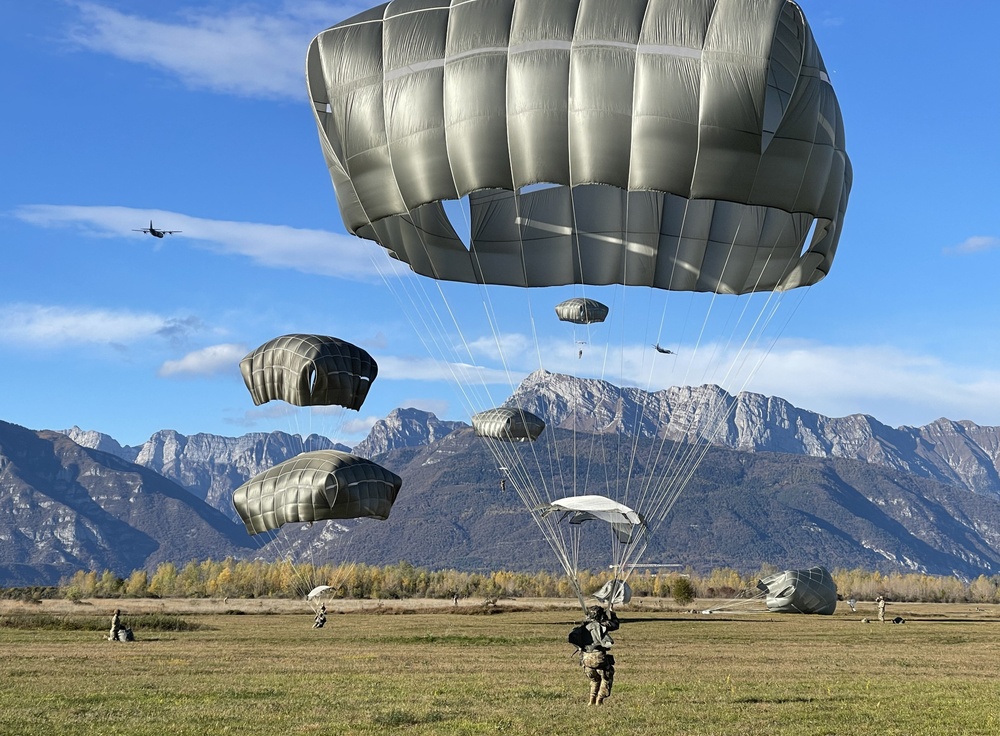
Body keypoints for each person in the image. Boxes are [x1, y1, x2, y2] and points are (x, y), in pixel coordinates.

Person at [569, 604, 620, 706]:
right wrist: (612, 614)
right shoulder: (603, 625)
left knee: (595, 679)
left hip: (585, 658)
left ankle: (591, 700)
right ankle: (599, 700)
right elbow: (615, 625)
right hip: (598, 656)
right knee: (607, 677)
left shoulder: (583, 626)